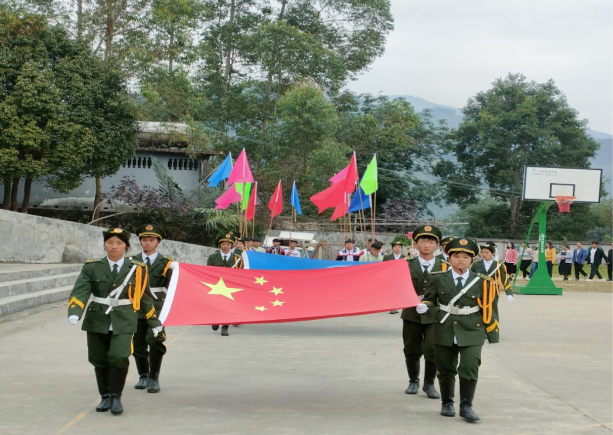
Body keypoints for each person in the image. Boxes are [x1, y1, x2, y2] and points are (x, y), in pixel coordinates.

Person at [67, 228, 164, 415]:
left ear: (126, 246)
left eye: (119, 243)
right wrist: (75, 311)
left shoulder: (137, 268)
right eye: (110, 242)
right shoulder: (92, 266)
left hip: (125, 319)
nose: (114, 246)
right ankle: (105, 396)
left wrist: (154, 321)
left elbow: (144, 296)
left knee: (119, 356)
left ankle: (116, 396)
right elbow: (81, 290)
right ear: (104, 245)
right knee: (99, 359)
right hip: (97, 318)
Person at [417, 238, 499, 422]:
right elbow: (430, 299)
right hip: (444, 328)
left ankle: (466, 406)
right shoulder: (438, 278)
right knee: (445, 368)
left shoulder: (482, 281)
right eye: (456, 256)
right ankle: (447, 403)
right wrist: (425, 306)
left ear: (472, 260)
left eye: (465, 257)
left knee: (470, 366)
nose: (461, 260)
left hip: (472, 329)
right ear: (449, 258)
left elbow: (491, 308)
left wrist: (492, 334)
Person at [401, 225, 447, 399]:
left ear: (437, 245)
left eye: (431, 241)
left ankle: (429, 384)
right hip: (411, 313)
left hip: (435, 314)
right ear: (416, 244)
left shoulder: (445, 266)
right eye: (422, 241)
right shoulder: (406, 265)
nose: (427, 245)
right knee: (411, 349)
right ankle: (413, 381)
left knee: (433, 350)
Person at [130, 224, 174, 393]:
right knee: (138, 342)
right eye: (144, 240)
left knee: (155, 340)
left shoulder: (167, 263)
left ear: (158, 242)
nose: (147, 243)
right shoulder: (131, 261)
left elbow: (174, 286)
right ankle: (143, 375)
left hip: (158, 308)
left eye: (151, 240)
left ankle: (154, 377)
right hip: (137, 307)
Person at [207, 233, 244, 336]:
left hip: (230, 286)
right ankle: (215, 320)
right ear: (220, 245)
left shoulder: (238, 259)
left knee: (228, 306)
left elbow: (241, 273)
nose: (225, 246)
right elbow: (208, 272)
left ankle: (225, 327)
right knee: (216, 304)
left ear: (231, 245)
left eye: (228, 244)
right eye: (223, 244)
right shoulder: (213, 257)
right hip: (216, 285)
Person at [383, 239, 405, 313]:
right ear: (392, 248)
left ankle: (396, 306)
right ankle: (392, 307)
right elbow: (383, 267)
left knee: (398, 292)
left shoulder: (405, 257)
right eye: (395, 247)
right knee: (391, 292)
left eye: (399, 247)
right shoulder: (387, 257)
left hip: (401, 277)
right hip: (390, 277)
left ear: (401, 248)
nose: (397, 248)